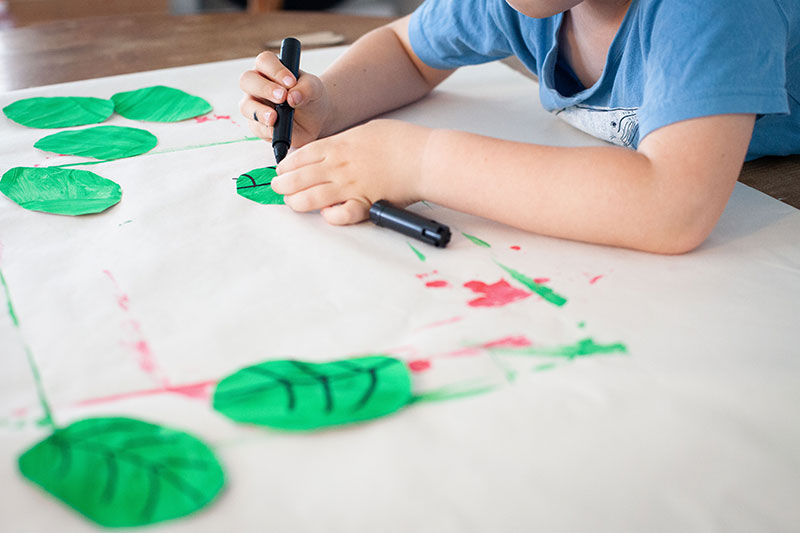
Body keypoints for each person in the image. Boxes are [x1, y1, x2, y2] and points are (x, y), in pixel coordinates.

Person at [238, 0, 799, 254]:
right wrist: (330, 103)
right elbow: (408, 51)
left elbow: (673, 206)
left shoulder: (716, 8)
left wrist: (420, 162)